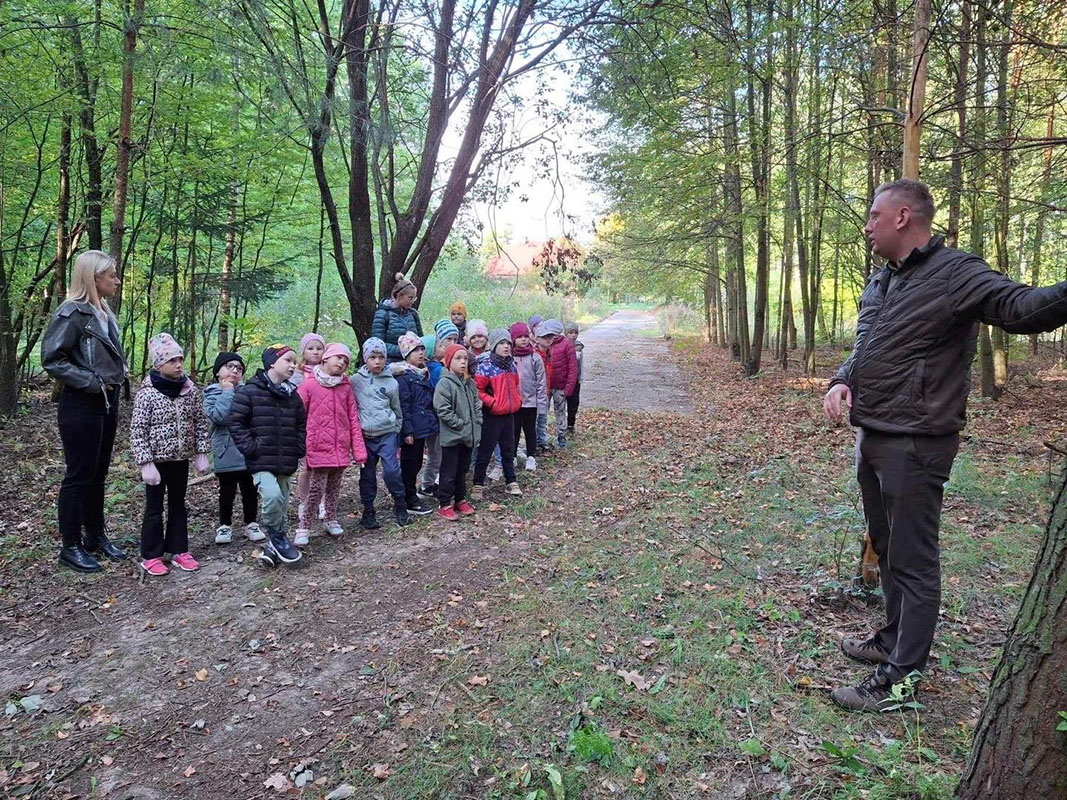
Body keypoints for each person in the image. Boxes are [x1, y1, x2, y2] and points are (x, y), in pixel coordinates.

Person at [823, 178, 1067, 712]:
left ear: (903, 217)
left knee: (913, 559)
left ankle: (900, 679)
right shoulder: (883, 279)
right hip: (873, 432)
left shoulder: (956, 273)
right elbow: (866, 344)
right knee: (887, 546)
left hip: (917, 443)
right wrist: (842, 379)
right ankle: (891, 639)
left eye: (874, 216)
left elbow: (1022, 307)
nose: (867, 226)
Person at [41, 250, 130, 572]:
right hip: (81, 403)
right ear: (94, 278)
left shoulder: (102, 312)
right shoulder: (71, 313)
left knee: (98, 472)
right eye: (112, 276)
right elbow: (52, 359)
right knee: (79, 474)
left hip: (106, 400)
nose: (117, 281)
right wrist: (90, 382)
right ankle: (70, 546)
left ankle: (95, 536)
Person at [129, 333, 211, 576]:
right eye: (171, 360)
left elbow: (200, 422)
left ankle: (179, 549)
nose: (178, 365)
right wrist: (145, 462)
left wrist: (201, 451)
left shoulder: (190, 390)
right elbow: (138, 430)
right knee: (154, 508)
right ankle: (151, 554)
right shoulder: (147, 393)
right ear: (158, 364)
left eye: (180, 359)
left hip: (180, 459)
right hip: (156, 462)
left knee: (178, 505)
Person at [228, 345, 306, 567]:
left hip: (286, 458)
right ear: (272, 362)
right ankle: (279, 538)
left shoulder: (293, 396)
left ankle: (273, 546)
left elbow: (301, 425)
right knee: (272, 497)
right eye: (288, 360)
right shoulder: (249, 392)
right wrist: (252, 447)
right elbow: (236, 422)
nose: (293, 365)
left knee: (281, 503)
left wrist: (298, 447)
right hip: (261, 460)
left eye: (294, 362)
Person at [294, 343, 367, 546]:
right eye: (338, 357)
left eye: (346, 361)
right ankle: (304, 527)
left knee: (334, 488)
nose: (342, 362)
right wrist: (300, 442)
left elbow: (353, 419)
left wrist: (359, 451)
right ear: (325, 358)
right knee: (316, 489)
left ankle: (330, 519)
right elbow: (297, 415)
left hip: (340, 447)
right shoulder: (309, 385)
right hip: (318, 446)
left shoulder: (345, 387)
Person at [204, 351, 264, 544]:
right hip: (225, 451)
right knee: (226, 492)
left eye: (239, 368)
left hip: (248, 451)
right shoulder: (211, 394)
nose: (234, 371)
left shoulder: (248, 392)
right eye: (229, 366)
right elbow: (220, 417)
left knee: (250, 490)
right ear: (217, 371)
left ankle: (251, 523)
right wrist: (227, 391)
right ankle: (224, 525)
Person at [352, 337, 409, 528]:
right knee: (367, 475)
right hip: (365, 436)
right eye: (372, 357)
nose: (377, 362)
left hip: (387, 434)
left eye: (381, 357)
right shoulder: (355, 381)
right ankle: (368, 510)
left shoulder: (391, 382)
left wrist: (396, 430)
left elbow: (397, 409)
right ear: (365, 358)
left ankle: (400, 504)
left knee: (392, 471)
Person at [472, 328, 523, 499]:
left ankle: (511, 481)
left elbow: (516, 385)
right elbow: (477, 390)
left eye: (508, 343)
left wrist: (517, 400)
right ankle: (478, 484)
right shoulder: (486, 366)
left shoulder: (511, 365)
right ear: (493, 345)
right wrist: (492, 403)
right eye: (501, 343)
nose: (506, 346)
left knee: (508, 449)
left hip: (509, 413)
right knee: (485, 451)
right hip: (492, 415)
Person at [433, 344, 481, 521]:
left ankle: (460, 499)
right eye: (458, 358)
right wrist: (459, 424)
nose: (463, 362)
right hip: (453, 436)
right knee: (449, 470)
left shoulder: (469, 383)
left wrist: (477, 421)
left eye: (465, 359)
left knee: (463, 469)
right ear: (448, 361)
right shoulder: (444, 384)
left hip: (468, 434)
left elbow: (476, 403)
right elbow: (442, 409)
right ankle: (445, 503)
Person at [395, 332, 438, 516]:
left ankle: (409, 495)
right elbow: (404, 406)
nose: (420, 353)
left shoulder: (423, 373)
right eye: (415, 350)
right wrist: (407, 431)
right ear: (406, 354)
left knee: (417, 462)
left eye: (422, 349)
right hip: (412, 429)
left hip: (422, 427)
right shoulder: (403, 376)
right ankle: (408, 498)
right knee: (410, 464)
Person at [511, 322, 547, 471]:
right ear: (513, 339)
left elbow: (541, 382)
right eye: (519, 337)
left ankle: (531, 457)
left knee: (530, 429)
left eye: (526, 336)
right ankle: (512, 456)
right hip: (513, 403)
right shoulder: (509, 357)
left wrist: (541, 404)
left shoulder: (535, 358)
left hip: (530, 402)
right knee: (514, 430)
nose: (523, 339)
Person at [540, 318, 578, 449]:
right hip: (545, 386)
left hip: (560, 386)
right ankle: (541, 437)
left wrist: (568, 388)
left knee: (560, 411)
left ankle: (561, 435)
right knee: (542, 412)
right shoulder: (544, 344)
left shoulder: (567, 345)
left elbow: (573, 368)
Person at [371, 273, 423, 362]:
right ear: (399, 296)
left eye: (414, 298)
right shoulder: (383, 315)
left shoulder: (413, 313)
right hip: (390, 362)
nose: (413, 301)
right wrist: (404, 350)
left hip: (412, 362)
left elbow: (420, 338)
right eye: (410, 298)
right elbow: (378, 344)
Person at [533, 324, 554, 452]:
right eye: (545, 337)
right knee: (535, 419)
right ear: (537, 339)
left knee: (543, 417)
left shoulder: (549, 353)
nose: (548, 339)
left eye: (550, 337)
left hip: (546, 391)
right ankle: (533, 443)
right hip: (535, 392)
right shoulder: (534, 355)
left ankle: (542, 441)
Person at [564, 322, 584, 436]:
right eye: (570, 333)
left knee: (574, 403)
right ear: (566, 334)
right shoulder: (562, 345)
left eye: (575, 333)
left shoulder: (579, 347)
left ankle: (571, 424)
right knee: (561, 403)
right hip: (564, 380)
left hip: (575, 380)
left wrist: (580, 378)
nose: (573, 335)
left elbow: (580, 365)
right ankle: (561, 423)